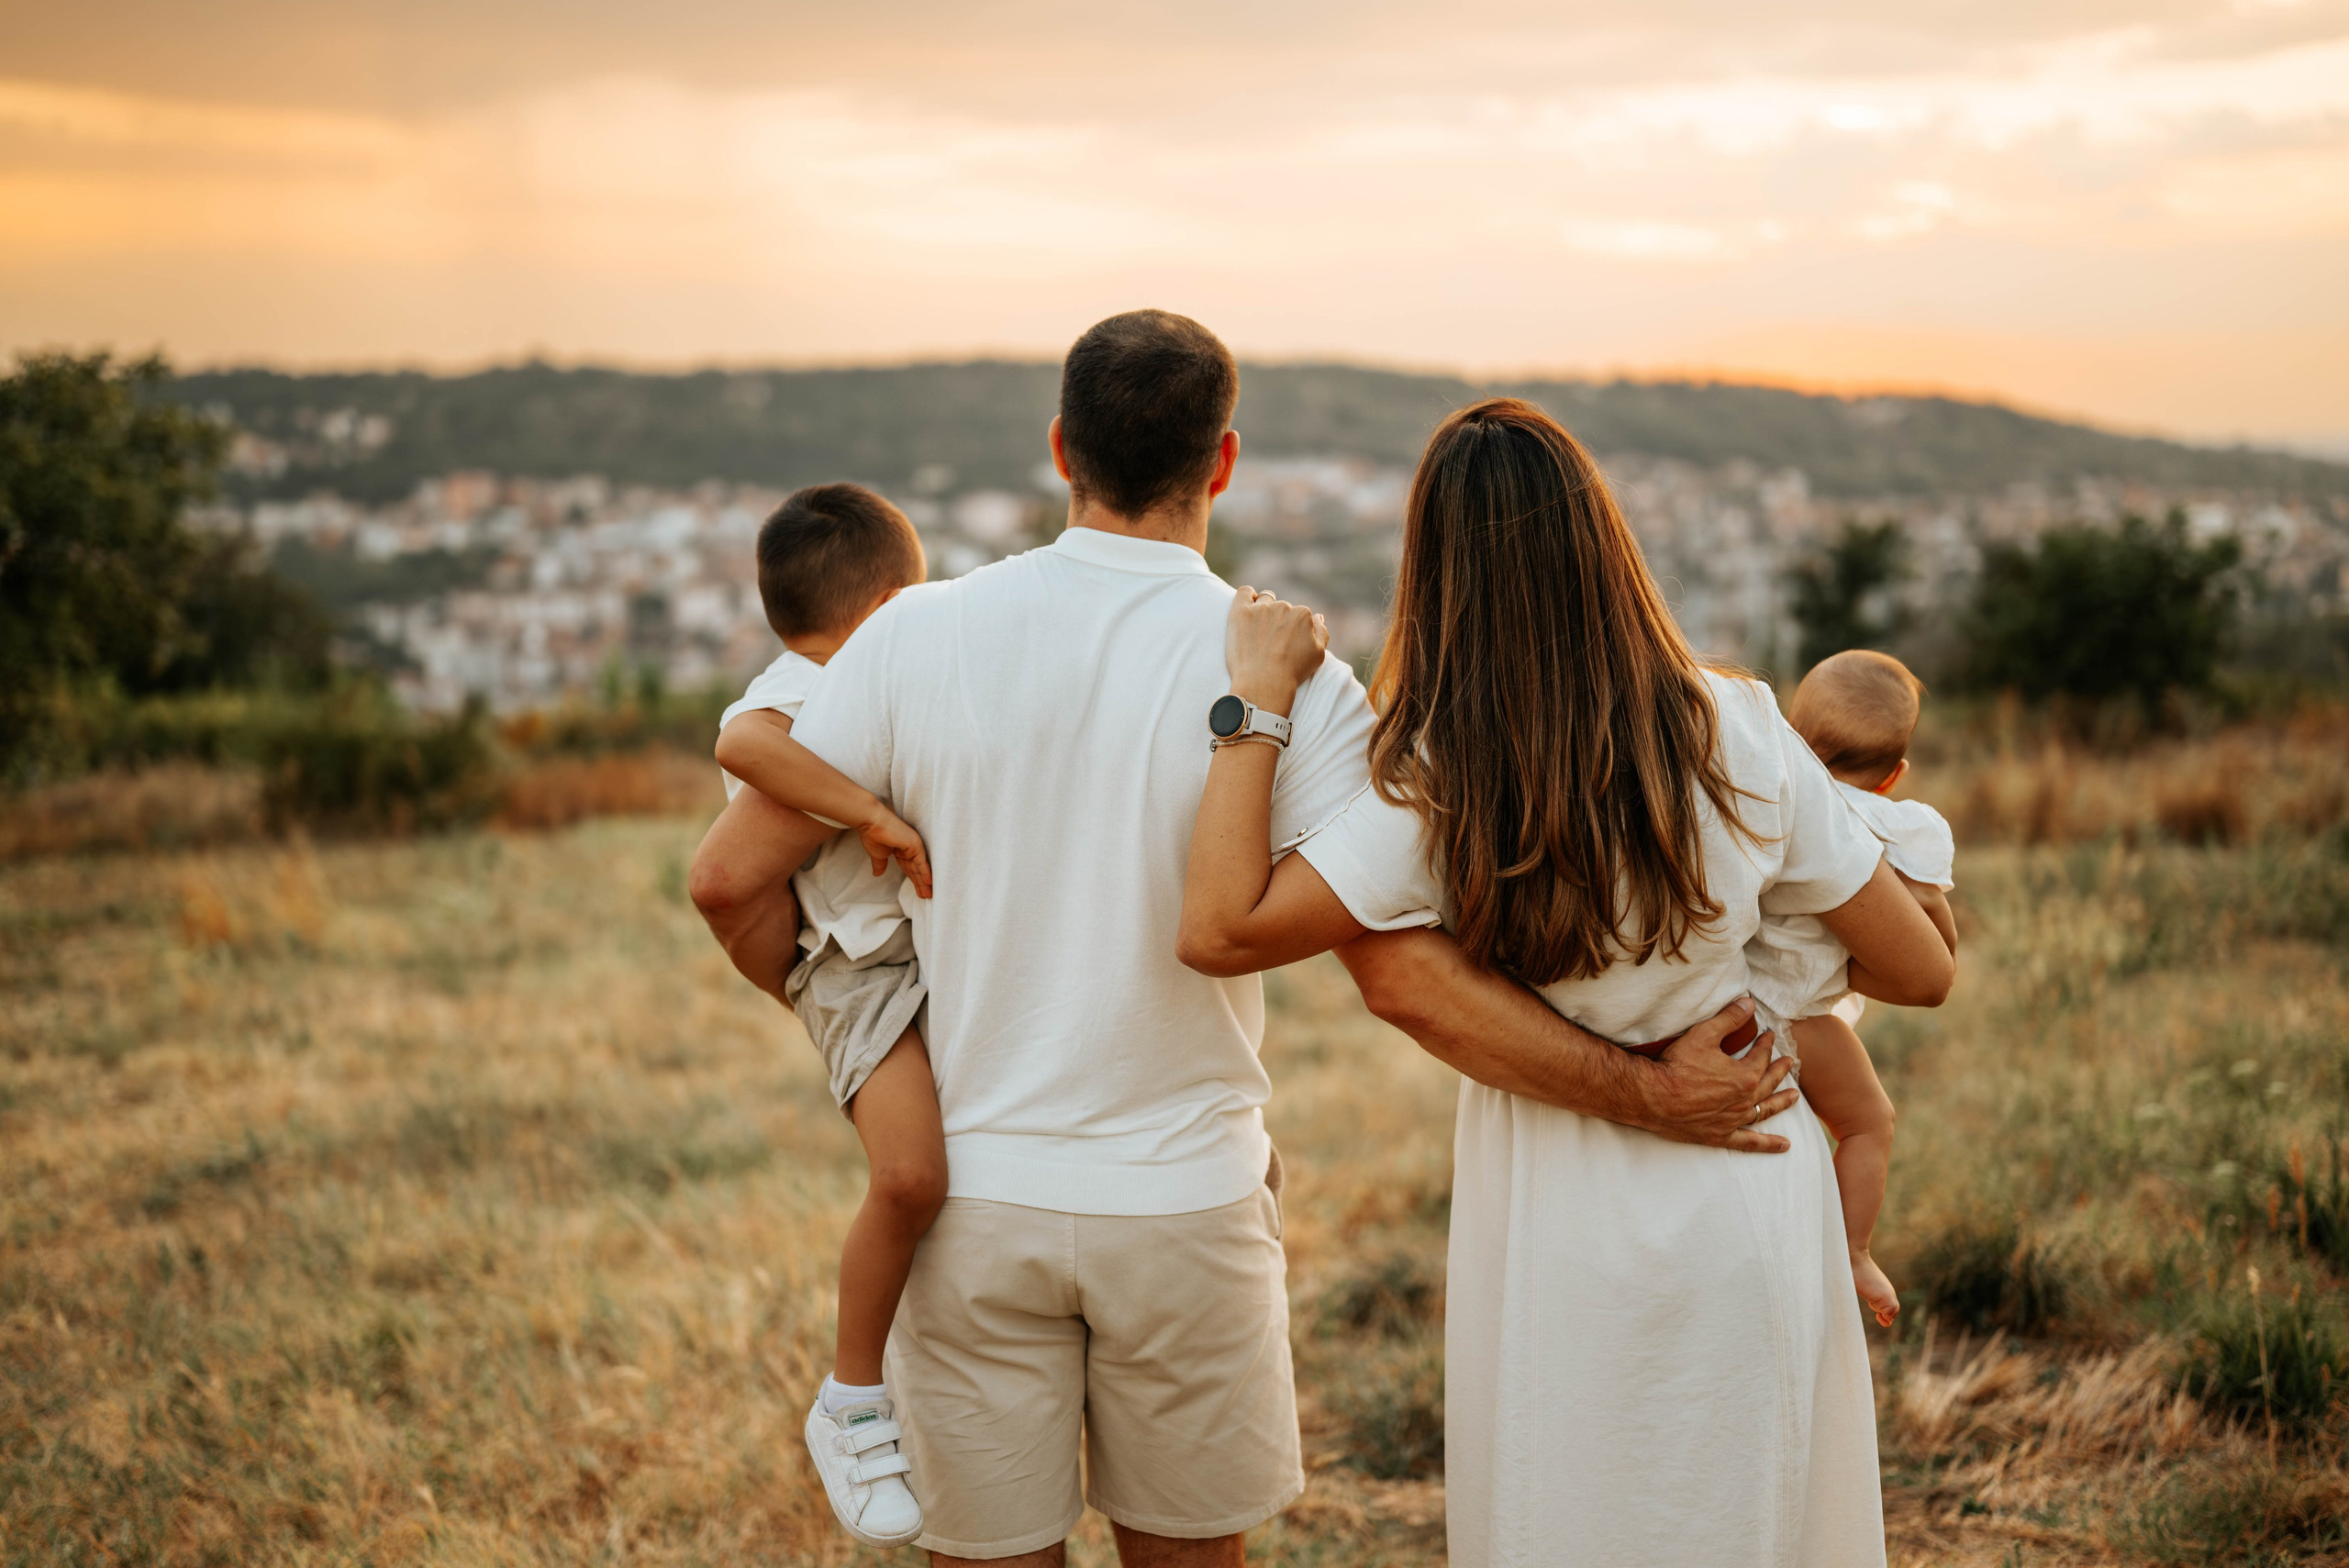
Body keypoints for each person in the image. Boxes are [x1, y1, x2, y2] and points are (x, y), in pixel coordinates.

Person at [780, 312, 1811, 1568]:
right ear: (1222, 464)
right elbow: (1404, 980)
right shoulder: (1302, 681)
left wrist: (873, 1056)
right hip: (1186, 1202)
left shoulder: (912, 636)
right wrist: (1644, 1087)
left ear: (1061, 449)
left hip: (970, 1197)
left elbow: (733, 883)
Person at [1176, 398, 1954, 1568]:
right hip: (1753, 1171)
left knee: (1572, 1511)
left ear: (1436, 573)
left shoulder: (1432, 778)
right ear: (1606, 545)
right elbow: (1919, 969)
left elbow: (1222, 925)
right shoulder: (1738, 725)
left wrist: (1260, 711)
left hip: (1557, 1194)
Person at [687, 483, 943, 1549]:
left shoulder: (877, 667)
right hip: (858, 973)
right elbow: (742, 746)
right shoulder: (803, 685)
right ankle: (849, 1399)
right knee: (911, 1175)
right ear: (889, 606)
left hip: (917, 960)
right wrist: (868, 809)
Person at [1750, 648, 1959, 1329]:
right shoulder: (1900, 825)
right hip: (1805, 1015)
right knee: (1868, 1121)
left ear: (1789, 729)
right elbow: (1936, 952)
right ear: (1895, 774)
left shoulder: (1757, 792)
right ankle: (1854, 1247)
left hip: (1731, 997)